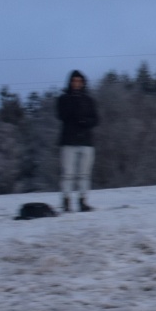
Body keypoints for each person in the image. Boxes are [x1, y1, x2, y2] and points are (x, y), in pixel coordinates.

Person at [56, 69, 99, 212]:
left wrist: (85, 121)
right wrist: (75, 108)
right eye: (74, 81)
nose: (77, 83)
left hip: (86, 141)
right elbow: (62, 115)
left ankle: (82, 201)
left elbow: (96, 119)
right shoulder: (63, 99)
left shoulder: (89, 100)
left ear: (83, 83)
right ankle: (66, 201)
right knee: (67, 174)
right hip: (68, 141)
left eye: (79, 81)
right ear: (70, 82)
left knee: (84, 174)